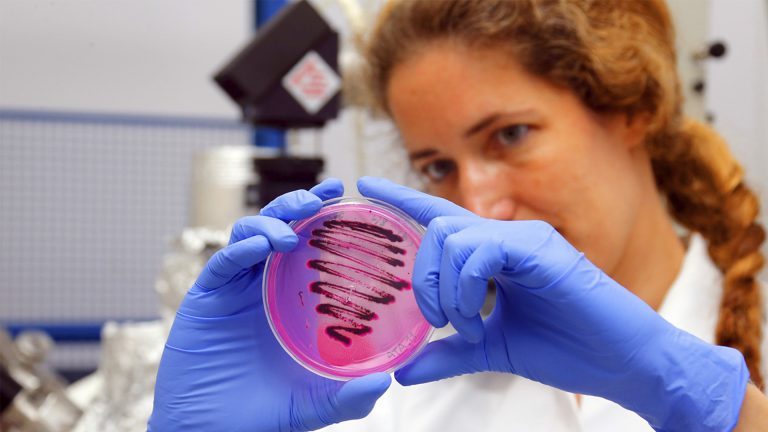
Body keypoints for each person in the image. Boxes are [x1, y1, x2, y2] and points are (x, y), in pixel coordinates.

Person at [148, 0, 768, 431]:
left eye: (511, 135)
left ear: (632, 107)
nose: (477, 204)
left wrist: (725, 414)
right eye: (439, 166)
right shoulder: (406, 383)